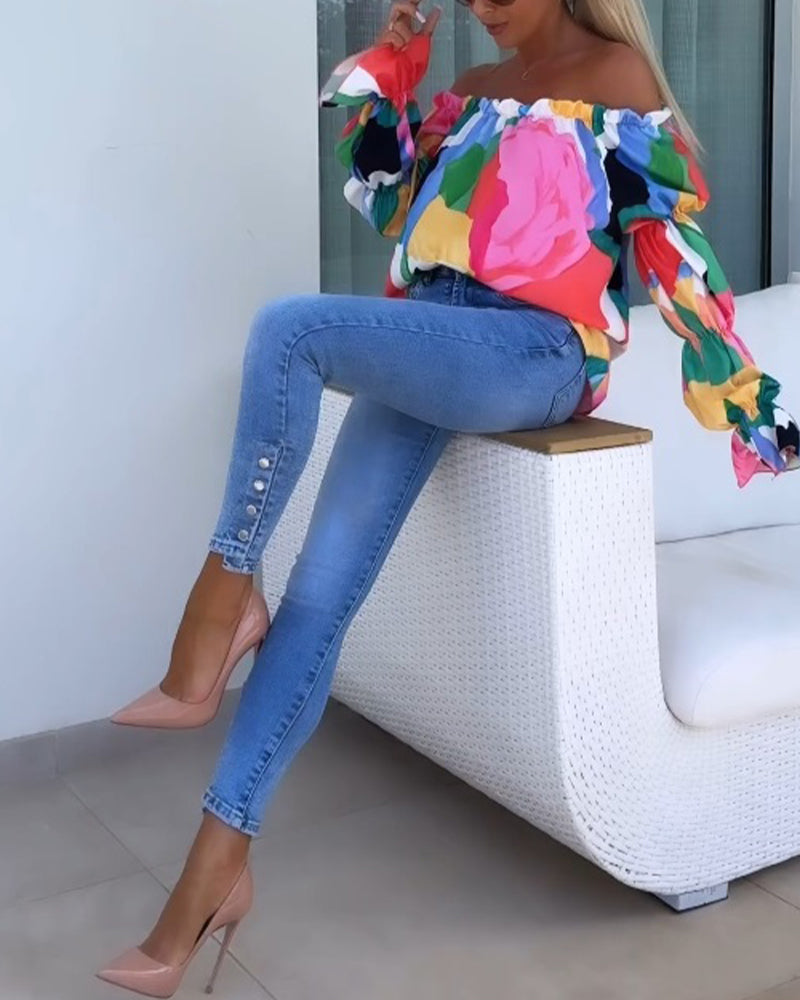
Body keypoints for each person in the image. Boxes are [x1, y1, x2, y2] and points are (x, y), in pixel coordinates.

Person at [96, 0, 799, 994]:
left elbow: (672, 261)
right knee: (317, 600)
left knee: (290, 330)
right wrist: (394, 66)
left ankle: (218, 603)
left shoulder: (618, 80)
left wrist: (752, 408)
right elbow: (394, 205)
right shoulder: (470, 93)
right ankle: (210, 877)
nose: (483, 7)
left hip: (536, 352)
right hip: (437, 334)